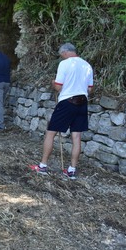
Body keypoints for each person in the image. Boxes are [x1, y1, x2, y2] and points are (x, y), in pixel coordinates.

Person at [32, 43, 93, 179]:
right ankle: (71, 170)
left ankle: (42, 166)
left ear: (65, 52)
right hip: (82, 102)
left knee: (50, 133)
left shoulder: (65, 64)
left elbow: (59, 87)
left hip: (67, 102)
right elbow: (89, 89)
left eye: (61, 55)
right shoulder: (87, 65)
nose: (61, 57)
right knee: (76, 136)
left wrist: (54, 83)